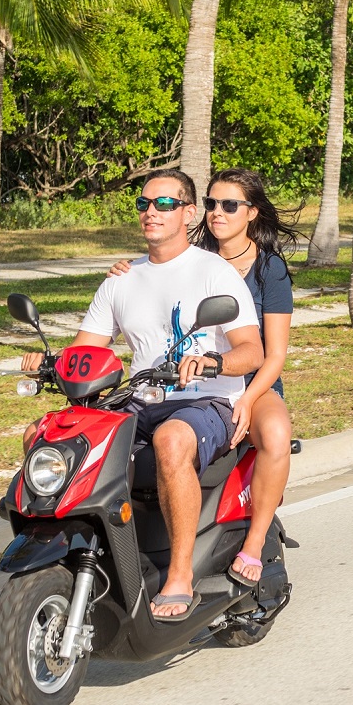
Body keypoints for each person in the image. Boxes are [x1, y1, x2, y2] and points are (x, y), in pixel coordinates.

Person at [20, 169, 263, 620]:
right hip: (138, 398)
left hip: (204, 400)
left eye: (165, 204)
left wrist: (212, 363)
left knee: (172, 441)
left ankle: (179, 575)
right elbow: (86, 349)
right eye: (144, 204)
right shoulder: (122, 278)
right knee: (45, 433)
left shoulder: (213, 272)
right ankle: (82, 554)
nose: (151, 212)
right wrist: (51, 361)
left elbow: (252, 350)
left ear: (189, 213)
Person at [107, 168, 297, 590]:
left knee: (275, 436)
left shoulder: (270, 270)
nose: (217, 213)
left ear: (251, 213)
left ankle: (253, 542)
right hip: (184, 381)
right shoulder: (196, 257)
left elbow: (274, 353)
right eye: (211, 203)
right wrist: (127, 269)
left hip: (253, 378)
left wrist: (246, 401)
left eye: (229, 205)